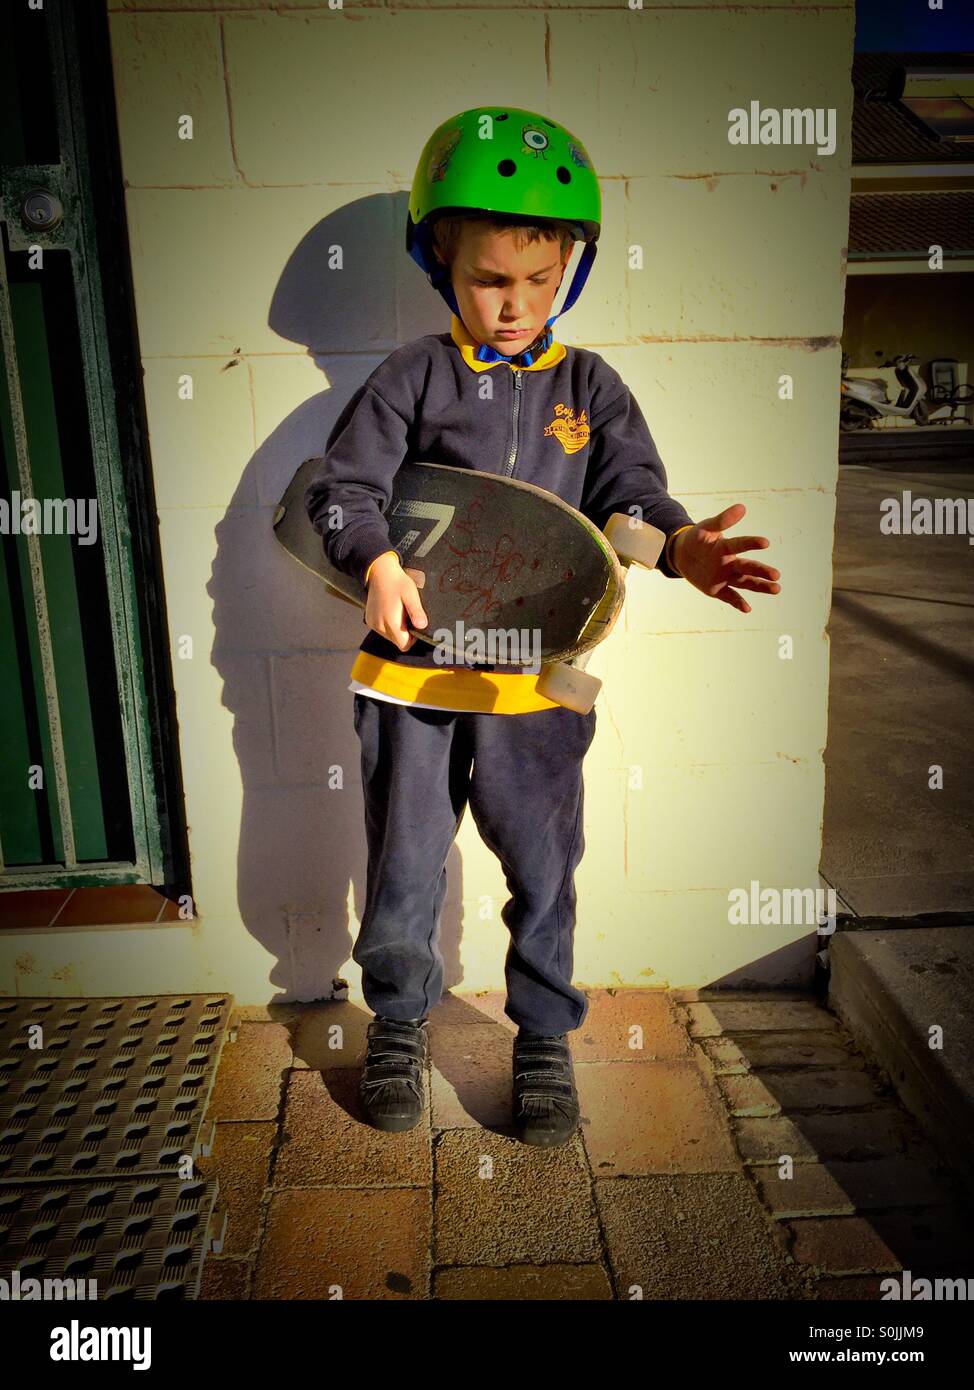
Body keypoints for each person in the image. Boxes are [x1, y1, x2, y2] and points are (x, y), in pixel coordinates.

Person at [304, 107, 781, 1146]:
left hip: (539, 682)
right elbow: (339, 493)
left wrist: (683, 545)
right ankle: (394, 1024)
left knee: (542, 865)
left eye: (534, 280)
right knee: (405, 865)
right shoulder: (412, 377)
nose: (512, 304)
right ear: (440, 264)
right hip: (414, 682)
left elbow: (627, 505)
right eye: (487, 279)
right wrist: (375, 559)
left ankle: (540, 1038)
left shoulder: (589, 388)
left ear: (569, 268)